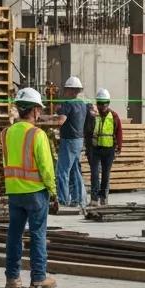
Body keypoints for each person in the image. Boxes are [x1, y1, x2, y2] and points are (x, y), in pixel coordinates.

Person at [3, 87, 57, 288]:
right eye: (39, 110)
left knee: (14, 235)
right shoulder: (37, 134)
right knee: (38, 235)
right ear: (34, 110)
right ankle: (38, 277)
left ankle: (12, 278)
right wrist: (53, 191)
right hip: (35, 192)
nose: (40, 113)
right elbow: (46, 166)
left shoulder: (6, 133)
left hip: (14, 191)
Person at [53, 76, 88, 208]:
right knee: (74, 170)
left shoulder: (67, 104)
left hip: (69, 140)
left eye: (66, 89)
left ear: (70, 90)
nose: (65, 92)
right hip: (79, 140)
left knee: (62, 171)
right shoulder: (82, 104)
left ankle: (63, 199)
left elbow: (60, 121)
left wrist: (45, 120)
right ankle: (78, 199)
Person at [85, 88, 122, 206]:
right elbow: (88, 133)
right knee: (95, 175)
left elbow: (119, 132)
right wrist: (88, 148)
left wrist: (119, 147)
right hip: (95, 149)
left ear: (108, 103)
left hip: (109, 149)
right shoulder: (93, 116)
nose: (102, 106)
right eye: (99, 103)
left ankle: (103, 197)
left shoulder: (114, 116)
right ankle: (94, 199)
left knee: (106, 175)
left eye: (104, 103)